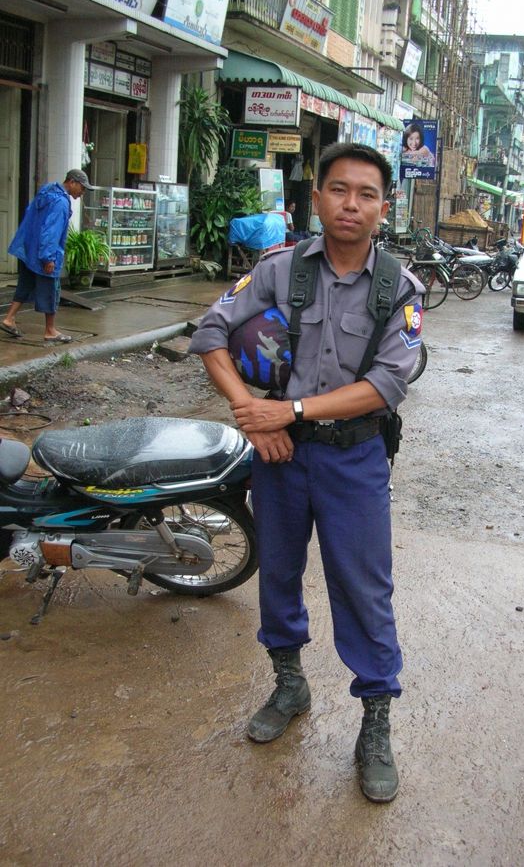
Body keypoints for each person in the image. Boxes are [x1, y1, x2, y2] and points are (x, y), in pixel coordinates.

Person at [190, 142, 425, 803]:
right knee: (279, 572)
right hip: (280, 457)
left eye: (366, 194)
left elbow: (386, 383)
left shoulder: (399, 289)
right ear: (316, 197)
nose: (351, 204)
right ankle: (289, 684)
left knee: (364, 587)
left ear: (384, 207)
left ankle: (375, 720)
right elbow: (210, 334)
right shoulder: (278, 269)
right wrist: (251, 415)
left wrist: (287, 409)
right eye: (339, 190)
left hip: (354, 458)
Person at [1, 168, 91, 344]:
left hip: (29, 248)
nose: (83, 192)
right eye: (82, 187)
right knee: (51, 291)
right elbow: (51, 231)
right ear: (72, 182)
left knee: (25, 284)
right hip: (44, 252)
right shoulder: (61, 202)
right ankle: (50, 331)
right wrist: (48, 258)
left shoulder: (47, 191)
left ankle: (9, 318)